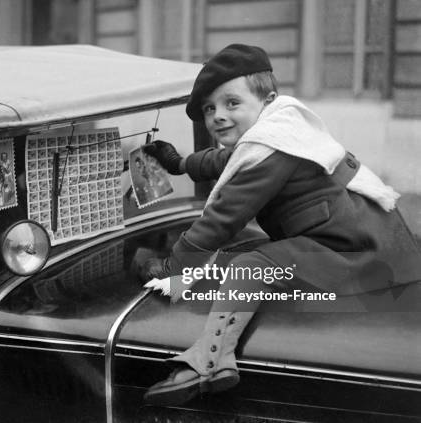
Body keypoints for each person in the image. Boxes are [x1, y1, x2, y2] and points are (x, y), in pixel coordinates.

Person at [138, 44, 421, 406]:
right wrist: (178, 164)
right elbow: (228, 158)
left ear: (266, 99)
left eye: (231, 103)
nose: (217, 116)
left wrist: (169, 270)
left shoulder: (270, 150)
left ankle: (209, 361)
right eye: (210, 108)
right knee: (244, 248)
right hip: (370, 238)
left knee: (249, 263)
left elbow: (219, 221)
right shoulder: (283, 125)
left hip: (361, 255)